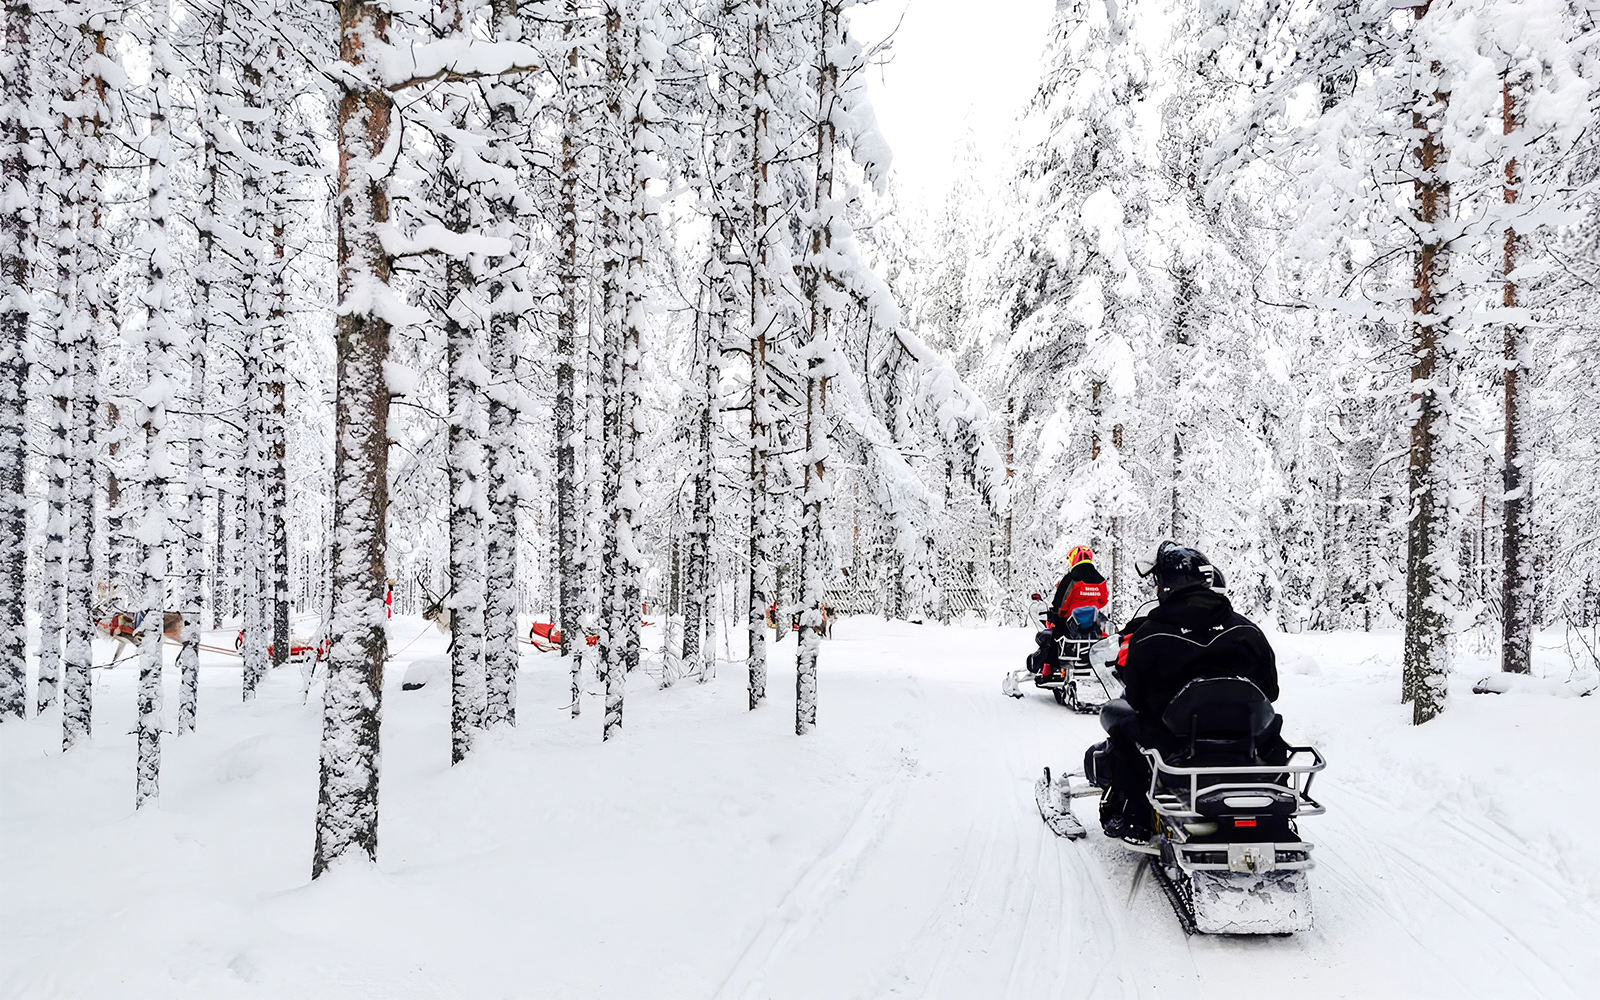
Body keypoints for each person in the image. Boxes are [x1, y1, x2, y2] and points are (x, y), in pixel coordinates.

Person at [1092, 540, 1279, 840]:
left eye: (1157, 584)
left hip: (1176, 743)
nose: (1155, 590)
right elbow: (1270, 690)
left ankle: (1135, 812)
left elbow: (1136, 697)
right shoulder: (1247, 630)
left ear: (1167, 587)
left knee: (1120, 724)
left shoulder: (1149, 634)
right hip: (1244, 739)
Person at [1028, 545, 1112, 674]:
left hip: (1069, 622)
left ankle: (1049, 669)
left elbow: (1060, 603)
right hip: (1092, 622)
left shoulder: (1072, 578)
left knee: (1052, 634)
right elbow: (1103, 600)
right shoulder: (1100, 579)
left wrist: (1059, 612)